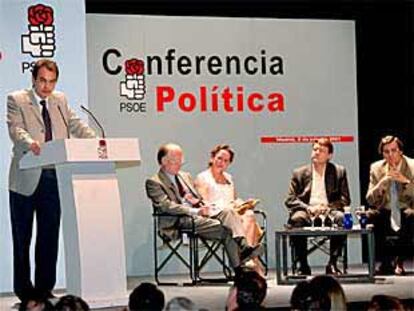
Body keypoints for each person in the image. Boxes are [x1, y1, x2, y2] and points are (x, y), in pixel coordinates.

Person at [7, 59, 96, 304]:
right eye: (43, 81)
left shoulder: (60, 101)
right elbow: (15, 130)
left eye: (52, 81)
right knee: (22, 237)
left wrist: (96, 141)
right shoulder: (16, 99)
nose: (47, 86)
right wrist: (30, 143)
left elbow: (75, 124)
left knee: (49, 236)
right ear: (33, 79)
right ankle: (25, 292)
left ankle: (45, 289)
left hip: (53, 177)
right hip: (25, 177)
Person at [145, 143, 262, 275]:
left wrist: (199, 203)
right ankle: (239, 270)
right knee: (228, 228)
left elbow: (198, 197)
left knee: (229, 213)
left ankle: (244, 246)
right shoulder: (154, 182)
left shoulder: (185, 176)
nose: (179, 164)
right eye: (176, 161)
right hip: (181, 220)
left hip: (201, 214)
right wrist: (194, 210)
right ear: (163, 161)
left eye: (181, 160)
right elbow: (166, 206)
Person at [285, 138, 351, 276]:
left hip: (329, 211)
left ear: (329, 155)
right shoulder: (299, 173)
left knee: (341, 218)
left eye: (321, 151)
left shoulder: (339, 171)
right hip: (306, 212)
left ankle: (332, 263)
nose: (316, 153)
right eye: (315, 149)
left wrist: (327, 207)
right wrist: (308, 207)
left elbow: (345, 199)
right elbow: (290, 199)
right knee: (297, 219)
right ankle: (303, 264)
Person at [194, 144, 263, 272]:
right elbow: (204, 203)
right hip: (215, 215)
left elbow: (233, 199)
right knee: (232, 213)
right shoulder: (202, 178)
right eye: (219, 158)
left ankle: (246, 253)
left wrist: (243, 203)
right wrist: (229, 207)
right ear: (213, 157)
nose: (222, 163)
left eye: (226, 161)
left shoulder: (229, 178)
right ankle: (247, 255)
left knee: (249, 214)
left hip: (232, 214)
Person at [366, 135, 414, 275]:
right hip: (385, 208)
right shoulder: (376, 168)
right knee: (372, 216)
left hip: (407, 207)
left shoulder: (412, 166)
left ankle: (399, 261)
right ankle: (385, 261)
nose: (390, 155)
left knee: (409, 215)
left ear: (400, 151)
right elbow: (370, 199)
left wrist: (405, 181)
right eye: (386, 151)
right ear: (382, 153)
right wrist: (382, 183)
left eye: (394, 150)